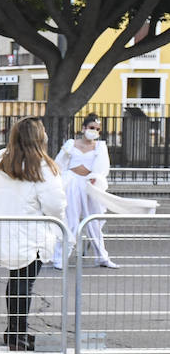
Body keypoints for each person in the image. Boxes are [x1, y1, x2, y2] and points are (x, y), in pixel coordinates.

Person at [0, 117, 65, 351]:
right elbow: (55, 204)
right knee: (24, 284)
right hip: (32, 234)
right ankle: (18, 333)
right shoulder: (42, 166)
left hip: (7, 228)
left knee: (16, 281)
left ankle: (14, 330)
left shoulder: (4, 161)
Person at [51, 114, 155, 268]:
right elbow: (59, 163)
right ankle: (60, 258)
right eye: (92, 128)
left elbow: (102, 167)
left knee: (94, 221)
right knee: (70, 220)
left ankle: (101, 256)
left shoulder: (100, 146)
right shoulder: (71, 144)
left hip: (89, 184)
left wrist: (95, 177)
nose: (94, 131)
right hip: (72, 182)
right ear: (84, 128)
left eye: (97, 129)